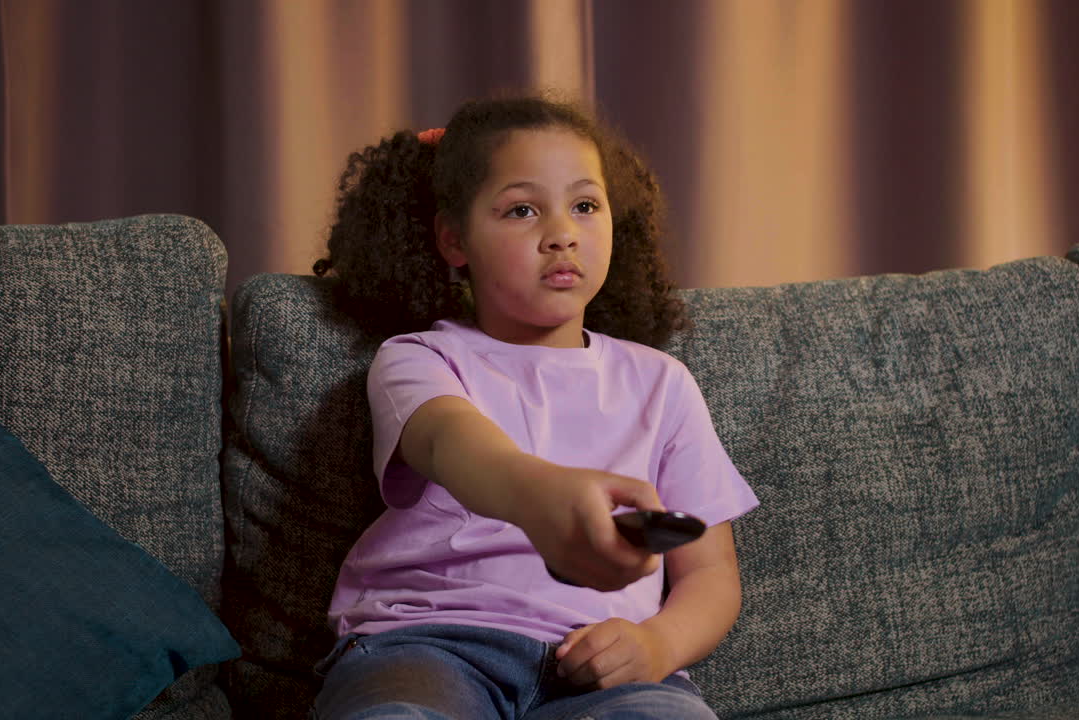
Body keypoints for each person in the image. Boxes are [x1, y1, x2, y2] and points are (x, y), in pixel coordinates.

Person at [309, 93, 759, 720]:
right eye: (522, 210)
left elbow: (709, 573)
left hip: (607, 674)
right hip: (429, 647)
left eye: (584, 205)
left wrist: (658, 644)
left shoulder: (663, 384)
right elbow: (450, 441)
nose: (561, 235)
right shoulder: (420, 360)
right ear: (453, 239)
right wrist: (541, 498)